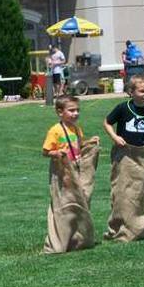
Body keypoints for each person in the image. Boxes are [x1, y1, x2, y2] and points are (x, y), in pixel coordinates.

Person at [102, 75, 144, 242]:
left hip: (143, 155)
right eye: (141, 91)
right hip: (125, 154)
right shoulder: (123, 108)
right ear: (131, 92)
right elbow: (107, 122)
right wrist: (115, 137)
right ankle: (121, 229)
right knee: (123, 191)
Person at [41, 95, 100, 254]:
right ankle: (60, 238)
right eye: (71, 110)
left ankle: (77, 236)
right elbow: (45, 152)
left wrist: (90, 142)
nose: (75, 114)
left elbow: (79, 146)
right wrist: (57, 153)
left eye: (77, 110)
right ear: (60, 112)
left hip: (76, 168)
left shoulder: (76, 128)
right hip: (61, 170)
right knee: (64, 201)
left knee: (79, 199)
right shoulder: (55, 130)